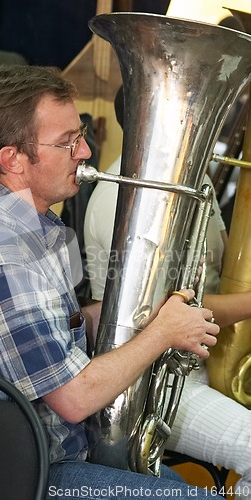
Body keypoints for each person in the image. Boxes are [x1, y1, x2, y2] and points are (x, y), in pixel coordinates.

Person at [0, 65, 220, 500]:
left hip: (50, 449)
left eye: (80, 136)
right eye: (67, 142)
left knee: (178, 485)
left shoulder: (38, 226)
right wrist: (162, 333)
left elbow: (67, 325)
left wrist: (149, 308)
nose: (85, 152)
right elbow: (74, 398)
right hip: (9, 472)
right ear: (13, 159)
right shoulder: (3, 254)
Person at [84, 85, 251, 499]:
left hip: (200, 361)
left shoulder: (194, 183)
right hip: (153, 383)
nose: (218, 125)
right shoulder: (123, 196)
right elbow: (161, 311)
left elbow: (220, 268)